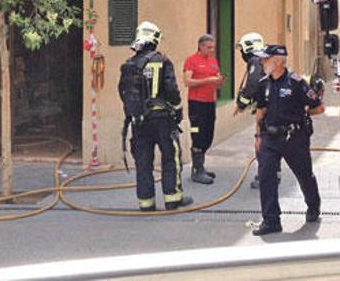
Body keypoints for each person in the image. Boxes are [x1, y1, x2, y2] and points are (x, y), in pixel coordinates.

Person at [118, 21, 193, 211]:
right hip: (162, 120)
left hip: (138, 122)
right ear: (155, 39)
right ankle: (172, 199)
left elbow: (123, 92)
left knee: (143, 163)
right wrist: (177, 111)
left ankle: (146, 203)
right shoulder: (162, 61)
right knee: (170, 158)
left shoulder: (128, 65)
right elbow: (172, 91)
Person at [251, 45, 323, 236]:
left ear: (278, 61)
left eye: (266, 59)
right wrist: (258, 136)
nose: (262, 62)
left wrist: (305, 112)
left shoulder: (296, 83)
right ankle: (271, 221)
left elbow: (318, 107)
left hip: (294, 138)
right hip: (269, 138)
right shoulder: (263, 83)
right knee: (266, 177)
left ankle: (313, 206)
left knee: (304, 174)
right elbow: (260, 111)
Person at [232, 32, 278, 190]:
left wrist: (241, 104)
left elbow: (252, 85)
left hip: (266, 108)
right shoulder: (267, 58)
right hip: (275, 106)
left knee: (262, 141)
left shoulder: (255, 60)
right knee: (271, 140)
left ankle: (266, 176)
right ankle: (273, 173)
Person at [182, 34, 223, 185]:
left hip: (210, 103)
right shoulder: (191, 60)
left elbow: (216, 78)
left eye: (213, 47)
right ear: (200, 46)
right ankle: (196, 171)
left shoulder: (213, 61)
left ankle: (201, 166)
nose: (212, 50)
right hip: (196, 104)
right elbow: (187, 81)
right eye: (209, 47)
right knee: (197, 135)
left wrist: (218, 81)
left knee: (208, 136)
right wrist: (207, 80)